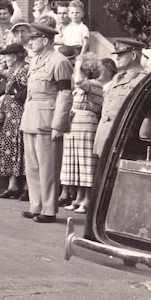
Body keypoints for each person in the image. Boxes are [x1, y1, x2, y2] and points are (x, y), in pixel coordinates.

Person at [20, 22, 73, 223]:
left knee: (48, 167)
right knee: (32, 166)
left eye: (33, 39)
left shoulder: (59, 61)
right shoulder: (35, 61)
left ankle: (49, 209)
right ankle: (36, 205)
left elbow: (65, 94)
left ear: (45, 40)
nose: (30, 42)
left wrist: (59, 124)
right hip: (31, 118)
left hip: (47, 120)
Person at [60, 54, 104, 214]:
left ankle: (87, 199)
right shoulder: (82, 86)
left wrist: (79, 64)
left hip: (86, 124)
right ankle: (78, 197)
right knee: (76, 163)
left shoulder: (94, 84)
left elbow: (78, 81)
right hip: (75, 125)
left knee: (85, 163)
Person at [94, 38, 148, 157]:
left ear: (133, 55)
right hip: (104, 138)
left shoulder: (142, 80)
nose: (117, 58)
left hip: (122, 140)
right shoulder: (117, 77)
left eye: (121, 55)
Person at [0, 42, 29, 201]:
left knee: (22, 148)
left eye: (7, 56)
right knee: (10, 146)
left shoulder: (25, 70)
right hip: (11, 115)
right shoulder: (13, 71)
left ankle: (27, 187)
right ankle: (12, 185)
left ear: (14, 57)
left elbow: (24, 93)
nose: (5, 59)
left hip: (20, 114)